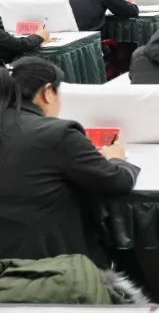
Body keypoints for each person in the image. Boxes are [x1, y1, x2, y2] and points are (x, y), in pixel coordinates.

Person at [0, 57, 138, 268]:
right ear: (48, 92)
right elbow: (117, 181)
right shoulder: (57, 134)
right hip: (51, 265)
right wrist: (117, 158)